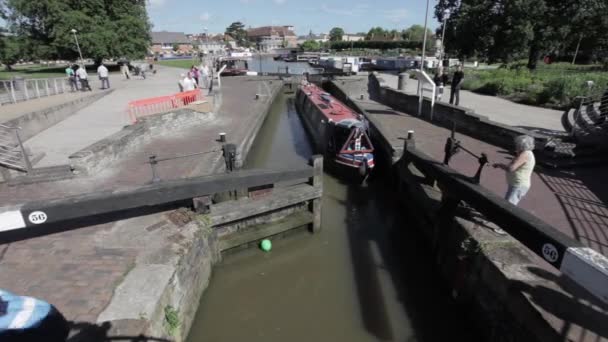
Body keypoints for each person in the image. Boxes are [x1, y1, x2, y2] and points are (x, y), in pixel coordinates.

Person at [493, 135, 536, 205]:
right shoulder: (524, 153)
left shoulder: (525, 154)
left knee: (508, 206)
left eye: (517, 144)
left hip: (519, 185)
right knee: (507, 203)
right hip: (516, 184)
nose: (515, 145)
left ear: (521, 145)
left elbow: (511, 168)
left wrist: (500, 165)